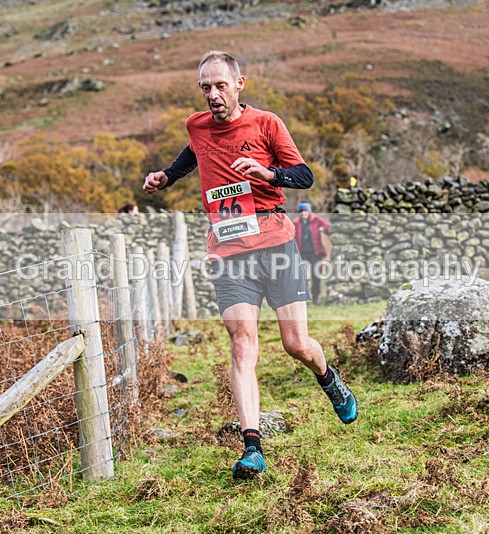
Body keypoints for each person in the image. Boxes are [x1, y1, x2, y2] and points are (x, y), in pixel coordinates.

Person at [143, 51, 357, 480]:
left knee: (296, 344)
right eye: (205, 87)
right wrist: (168, 176)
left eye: (221, 85)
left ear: (239, 83)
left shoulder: (266, 123)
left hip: (276, 243)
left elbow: (304, 175)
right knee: (242, 343)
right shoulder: (196, 125)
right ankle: (252, 446)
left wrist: (266, 174)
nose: (213, 94)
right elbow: (194, 152)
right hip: (228, 251)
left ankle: (329, 377)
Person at [293, 202, 331, 305]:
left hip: (316, 252)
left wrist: (323, 229)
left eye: (305, 211)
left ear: (309, 211)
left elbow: (329, 227)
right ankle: (302, 298)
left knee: (316, 275)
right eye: (301, 211)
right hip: (302, 253)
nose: (303, 213)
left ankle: (316, 298)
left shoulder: (317, 220)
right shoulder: (296, 223)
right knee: (301, 276)